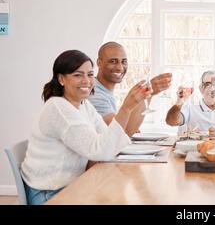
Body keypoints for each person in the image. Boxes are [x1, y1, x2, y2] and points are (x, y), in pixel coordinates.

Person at [21, 50, 150, 205]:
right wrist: (127, 108)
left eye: (89, 74)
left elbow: (107, 138)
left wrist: (128, 108)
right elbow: (101, 151)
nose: (87, 81)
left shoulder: (83, 105)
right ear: (61, 79)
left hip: (71, 185)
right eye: (78, 75)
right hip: (50, 194)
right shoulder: (59, 109)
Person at [88, 41, 172, 136]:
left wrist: (132, 126)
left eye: (123, 61)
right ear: (99, 63)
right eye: (113, 61)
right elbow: (121, 134)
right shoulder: (94, 93)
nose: (120, 67)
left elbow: (121, 125)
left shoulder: (103, 89)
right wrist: (148, 93)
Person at [165, 70, 215, 134]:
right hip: (194, 150)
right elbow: (171, 121)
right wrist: (179, 102)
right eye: (207, 84)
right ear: (200, 88)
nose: (212, 89)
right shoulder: (190, 107)